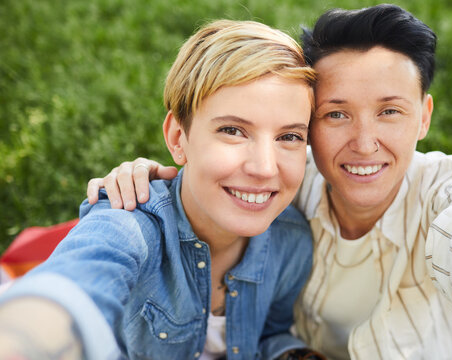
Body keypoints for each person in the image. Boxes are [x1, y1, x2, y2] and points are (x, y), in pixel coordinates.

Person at [89, 4, 452, 360]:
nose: (365, 144)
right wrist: (151, 177)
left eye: (390, 111)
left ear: (423, 117)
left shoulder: (447, 188)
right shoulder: (281, 178)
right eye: (336, 114)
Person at [0, 19, 328, 360]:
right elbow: (78, 281)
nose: (264, 168)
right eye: (232, 130)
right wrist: (23, 338)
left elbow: (269, 334)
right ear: (177, 138)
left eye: (288, 137)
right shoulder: (130, 224)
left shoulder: (292, 243)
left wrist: (289, 353)